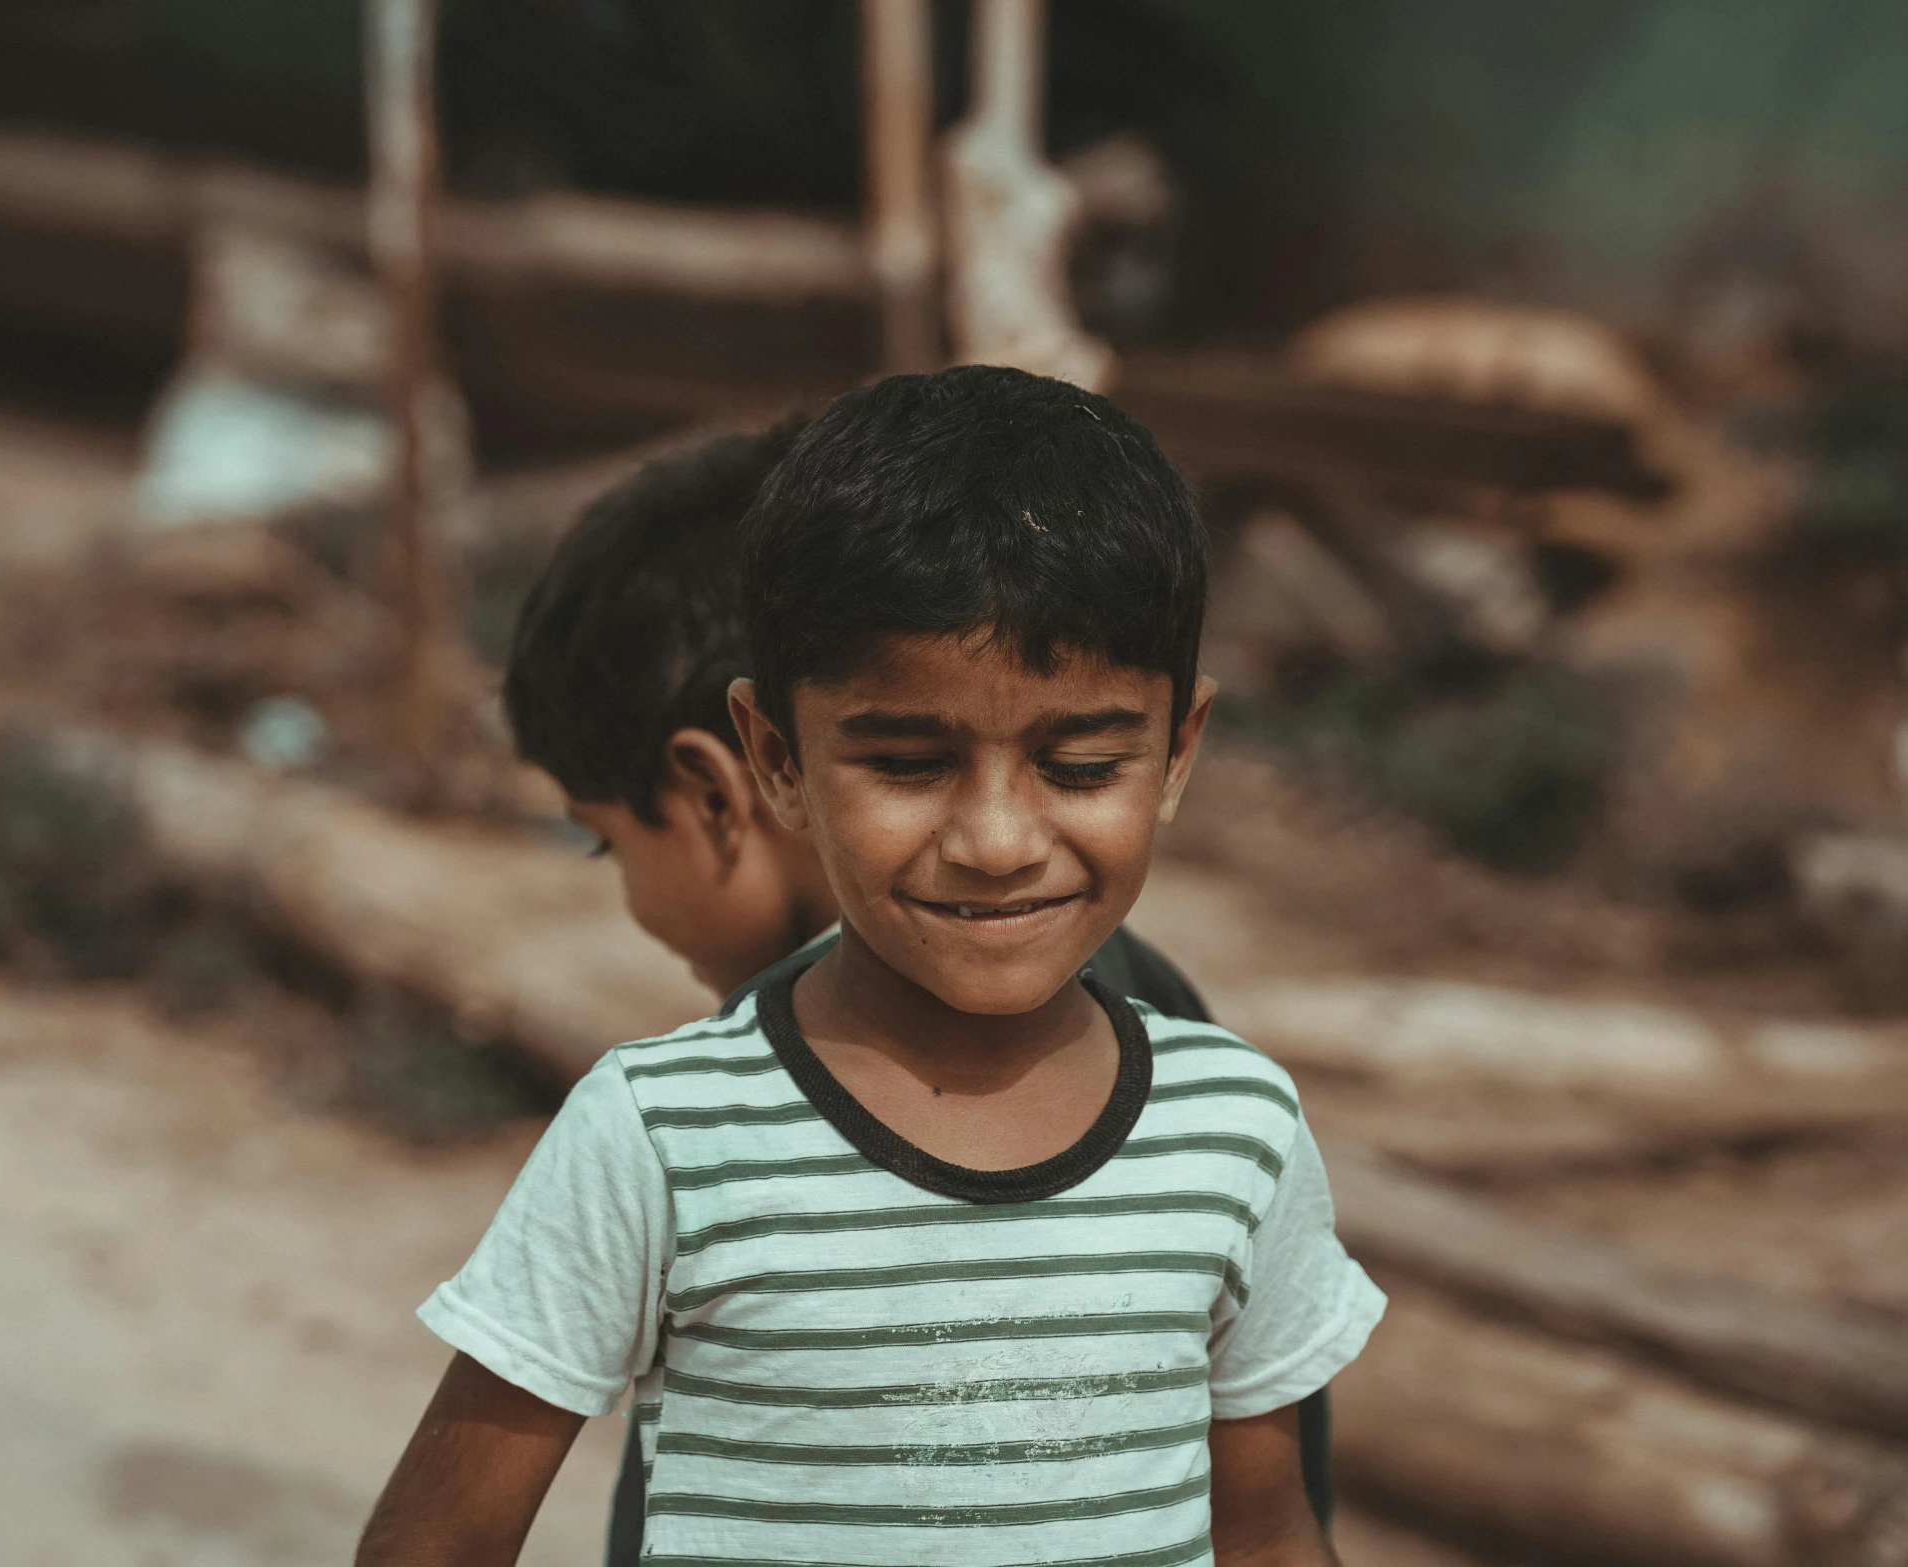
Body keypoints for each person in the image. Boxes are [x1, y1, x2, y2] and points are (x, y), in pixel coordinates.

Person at [360, 366, 1383, 1566]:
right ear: (773, 758)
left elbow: (1261, 1524)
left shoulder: (1234, 1126)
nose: (997, 843)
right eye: (907, 762)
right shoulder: (663, 1136)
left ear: (1175, 751)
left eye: (1081, 765)